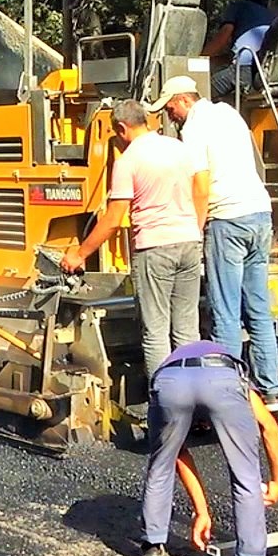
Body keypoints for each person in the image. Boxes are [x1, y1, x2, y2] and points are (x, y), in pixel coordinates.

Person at [161, 77, 278, 411]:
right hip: (259, 213)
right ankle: (270, 393)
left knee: (226, 311)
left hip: (227, 218)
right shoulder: (229, 113)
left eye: (170, 106)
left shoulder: (194, 129)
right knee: (259, 308)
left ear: (183, 100)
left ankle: (230, 395)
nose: (169, 115)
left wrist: (194, 230)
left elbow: (200, 186)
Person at [62, 99, 206, 376]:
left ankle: (165, 406)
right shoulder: (179, 149)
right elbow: (201, 190)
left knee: (156, 332)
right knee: (187, 329)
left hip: (155, 248)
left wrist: (79, 255)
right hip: (190, 243)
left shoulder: (129, 161)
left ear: (121, 128)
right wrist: (194, 230)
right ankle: (192, 399)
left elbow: (114, 219)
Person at [140, 338, 278, 556]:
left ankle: (153, 547)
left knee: (161, 464)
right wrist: (277, 481)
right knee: (245, 474)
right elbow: (269, 428)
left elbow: (178, 455)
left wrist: (202, 512)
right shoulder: (230, 370)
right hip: (218, 379)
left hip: (168, 383)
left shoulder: (173, 362)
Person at [206, 22, 269, 105]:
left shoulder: (243, 40)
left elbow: (230, 59)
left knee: (208, 89)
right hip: (260, 71)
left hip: (243, 67)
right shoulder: (277, 30)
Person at [201, 0, 274, 60]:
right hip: (267, 62)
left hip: (246, 60)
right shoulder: (272, 16)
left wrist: (200, 58)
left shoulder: (239, 6)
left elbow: (224, 35)